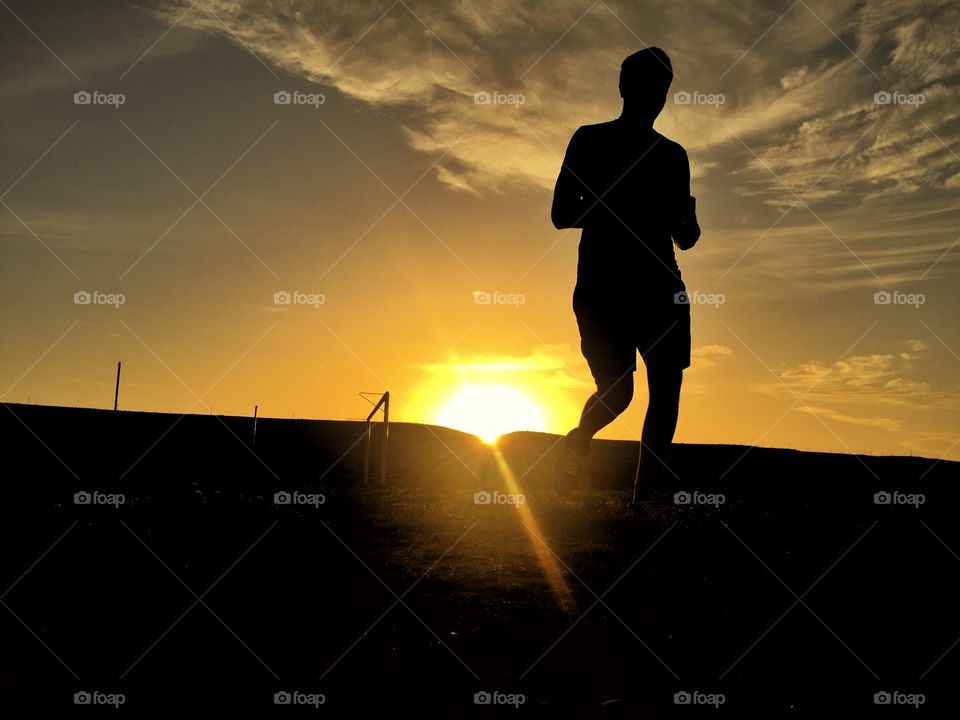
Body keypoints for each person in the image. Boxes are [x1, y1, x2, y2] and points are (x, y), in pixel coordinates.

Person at [550, 47, 700, 507]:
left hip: (661, 286)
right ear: (626, 89)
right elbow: (560, 215)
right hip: (603, 286)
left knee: (667, 387)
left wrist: (686, 219)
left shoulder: (673, 156)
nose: (656, 96)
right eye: (651, 86)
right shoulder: (588, 140)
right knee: (617, 395)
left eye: (663, 87)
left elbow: (687, 236)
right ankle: (578, 442)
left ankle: (644, 496)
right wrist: (621, 209)